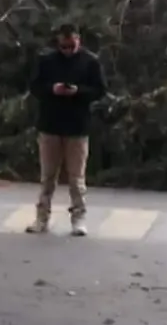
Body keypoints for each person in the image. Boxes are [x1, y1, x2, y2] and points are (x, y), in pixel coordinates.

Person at [26, 23, 108, 236]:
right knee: (47, 177)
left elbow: (100, 90)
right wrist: (52, 89)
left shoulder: (90, 62)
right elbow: (35, 87)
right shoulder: (46, 61)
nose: (68, 51)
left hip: (77, 126)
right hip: (50, 124)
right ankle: (41, 218)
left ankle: (78, 218)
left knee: (76, 178)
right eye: (63, 46)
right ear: (58, 43)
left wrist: (78, 91)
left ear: (78, 40)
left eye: (71, 46)